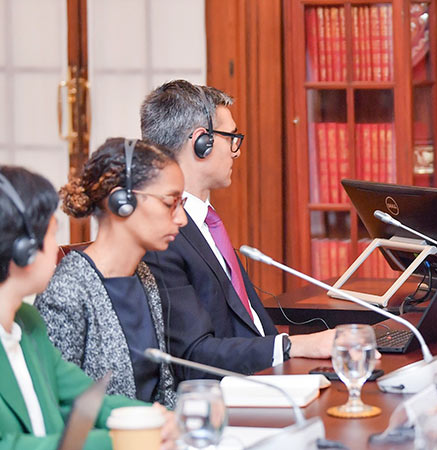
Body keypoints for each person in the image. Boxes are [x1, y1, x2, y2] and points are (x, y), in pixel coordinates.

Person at [139, 80, 334, 381]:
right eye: (231, 137)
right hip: (225, 398)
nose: (235, 151)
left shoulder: (206, 222)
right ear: (201, 142)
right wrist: (293, 346)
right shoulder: (164, 237)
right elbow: (193, 355)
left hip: (268, 378)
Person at [0, 165, 175, 448]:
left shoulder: (28, 323)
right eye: (52, 235)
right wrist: (119, 441)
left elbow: (88, 399)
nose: (58, 248)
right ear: (24, 248)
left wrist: (157, 419)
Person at [35, 138, 185, 408]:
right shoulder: (67, 291)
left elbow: (163, 392)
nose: (181, 218)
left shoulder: (143, 276)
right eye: (170, 203)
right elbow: (57, 408)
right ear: (121, 201)